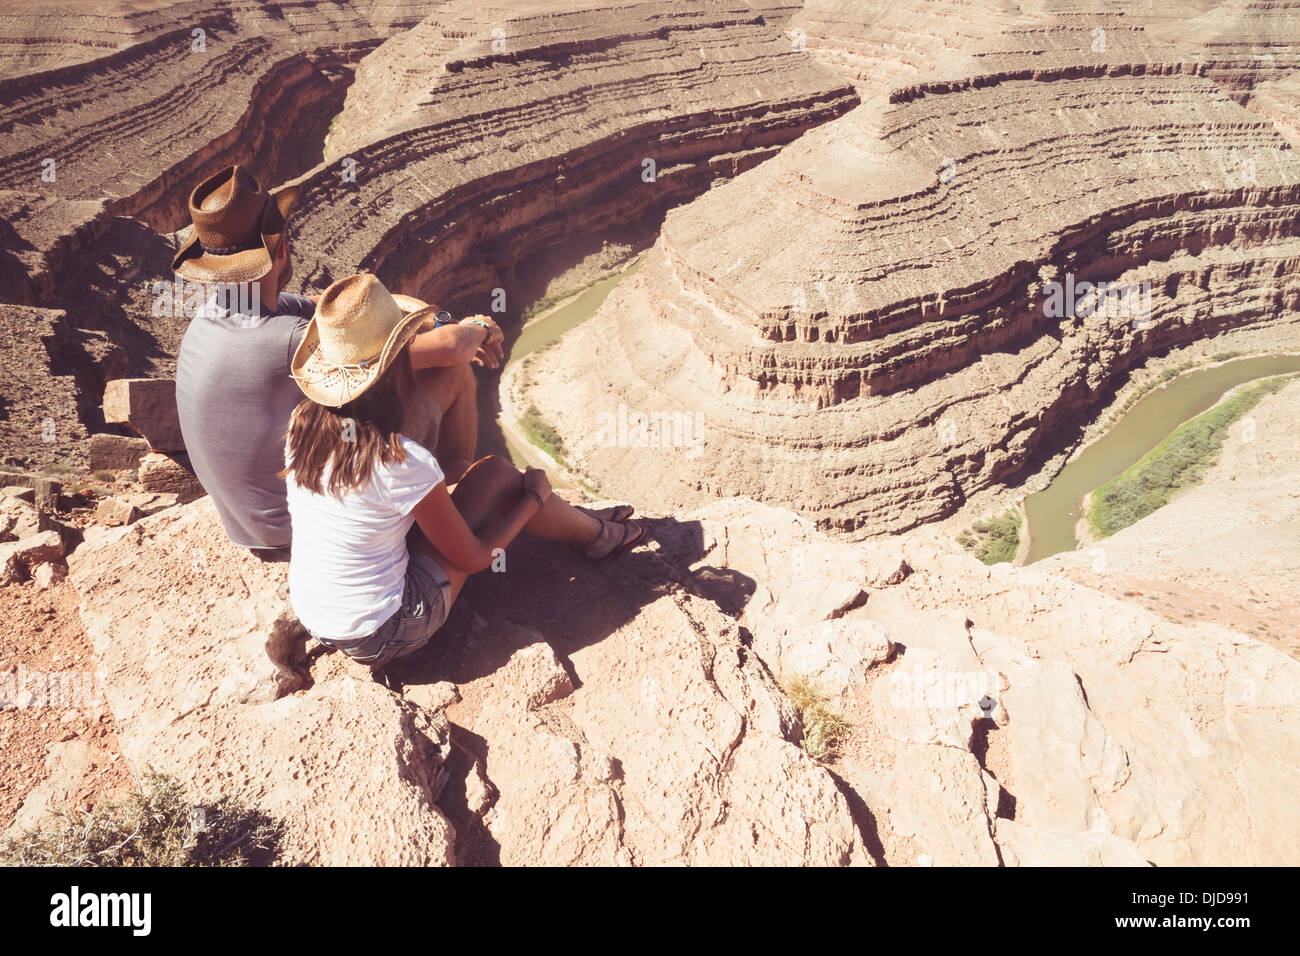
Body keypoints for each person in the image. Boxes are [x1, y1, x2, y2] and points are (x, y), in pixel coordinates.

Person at [282, 273, 645, 668]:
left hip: (317, 616)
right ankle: (595, 533)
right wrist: (533, 500)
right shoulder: (399, 461)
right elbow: (474, 558)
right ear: (398, 362)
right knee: (507, 487)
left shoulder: (303, 425)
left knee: (493, 472)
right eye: (407, 345)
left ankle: (589, 526)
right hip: (387, 630)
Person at [172, 164, 499, 554]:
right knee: (454, 373)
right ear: (281, 250)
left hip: (248, 522)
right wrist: (480, 326)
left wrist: (428, 317)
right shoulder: (288, 342)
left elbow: (329, 309)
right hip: (295, 528)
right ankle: (457, 492)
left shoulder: (217, 314)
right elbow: (450, 349)